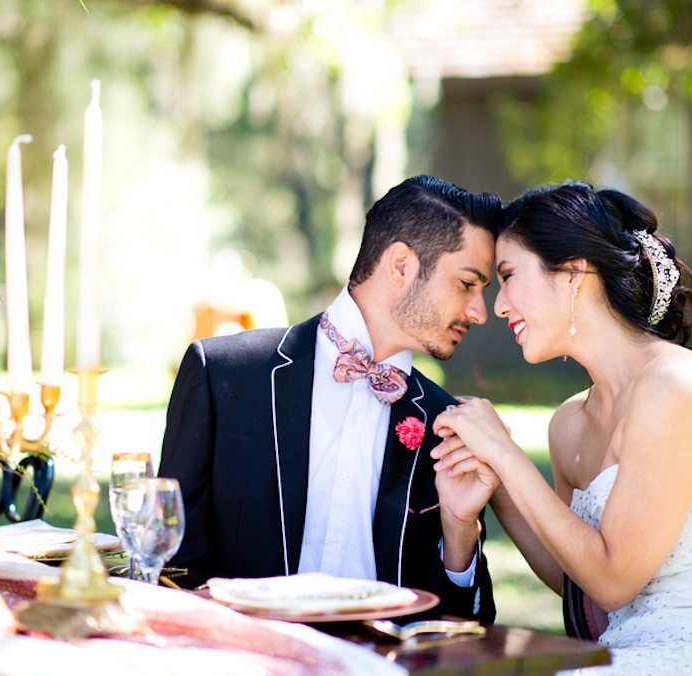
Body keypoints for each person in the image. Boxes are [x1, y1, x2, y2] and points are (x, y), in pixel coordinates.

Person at [431, 182, 692, 676]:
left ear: (573, 274)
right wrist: (493, 479)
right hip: (629, 654)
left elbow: (612, 583)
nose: (497, 307)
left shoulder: (674, 383)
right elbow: (573, 575)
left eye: (508, 276)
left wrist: (506, 454)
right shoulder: (568, 425)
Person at [158, 175, 501, 622]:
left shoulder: (444, 422)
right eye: (467, 283)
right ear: (401, 265)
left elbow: (468, 628)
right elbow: (170, 561)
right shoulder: (223, 375)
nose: (479, 311)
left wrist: (459, 533)